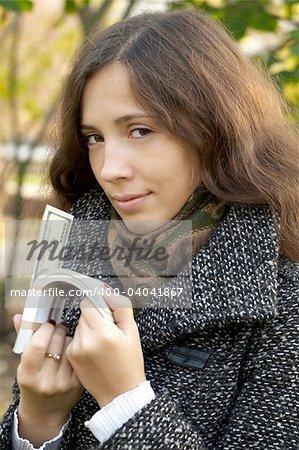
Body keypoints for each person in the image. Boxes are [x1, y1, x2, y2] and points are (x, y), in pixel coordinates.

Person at [1, 8, 298, 450]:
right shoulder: (83, 243)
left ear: (216, 128)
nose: (109, 169)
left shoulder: (285, 296)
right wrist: (39, 420)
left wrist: (126, 401)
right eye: (94, 138)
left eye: (140, 130)